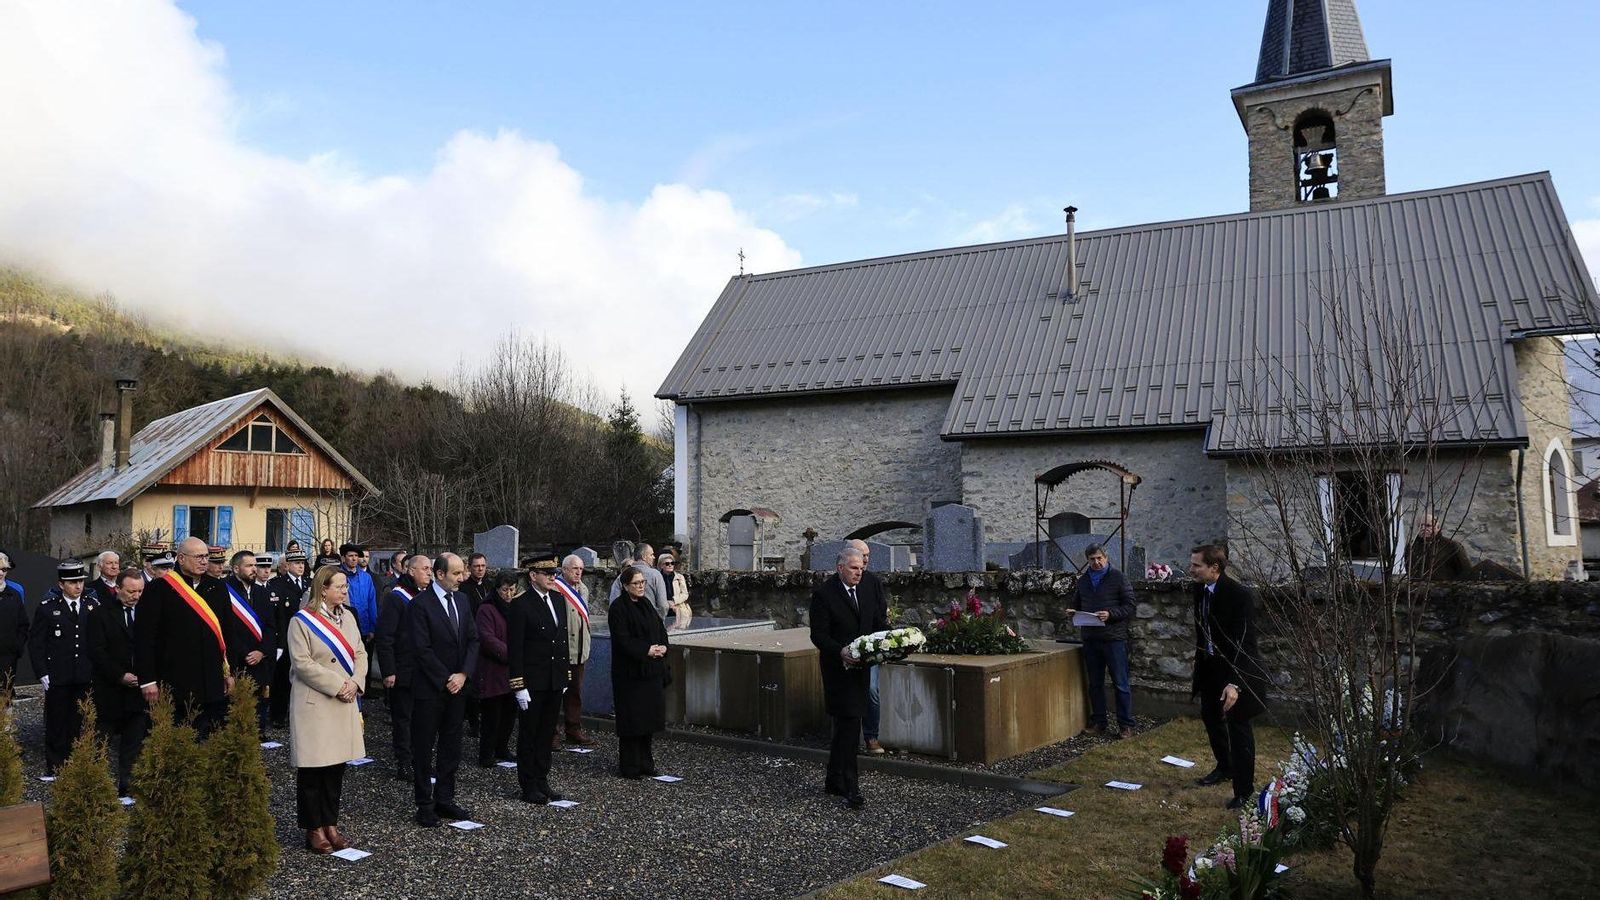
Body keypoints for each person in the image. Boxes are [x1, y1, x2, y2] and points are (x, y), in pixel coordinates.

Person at [287, 564, 367, 854]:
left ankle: (330, 822)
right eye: (340, 587)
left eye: (346, 587)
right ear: (323, 589)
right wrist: (339, 685)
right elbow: (302, 663)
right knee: (313, 770)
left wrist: (356, 682)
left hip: (343, 700)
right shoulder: (302, 621)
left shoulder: (348, 617)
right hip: (316, 703)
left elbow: (360, 652)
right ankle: (313, 828)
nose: (346, 591)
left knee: (335, 767)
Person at [1189, 544, 1270, 809]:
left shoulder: (1239, 595)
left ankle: (1244, 791)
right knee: (1211, 717)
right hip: (1210, 667)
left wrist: (1235, 682)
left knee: (1238, 726)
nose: (1191, 570)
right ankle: (1225, 767)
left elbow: (1245, 642)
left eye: (1196, 565)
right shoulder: (1199, 590)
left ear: (1215, 568)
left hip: (1236, 668)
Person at [809, 547, 886, 808]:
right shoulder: (824, 595)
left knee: (846, 727)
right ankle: (851, 786)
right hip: (838, 671)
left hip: (861, 669)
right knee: (851, 726)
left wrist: (892, 644)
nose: (859, 572)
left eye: (862, 568)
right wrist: (840, 651)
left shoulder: (866, 590)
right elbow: (818, 635)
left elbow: (876, 623)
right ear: (840, 568)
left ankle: (833, 779)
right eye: (854, 568)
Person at [135, 536, 233, 738]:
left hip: (211, 681)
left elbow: (228, 632)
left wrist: (230, 672)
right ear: (180, 558)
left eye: (206, 557)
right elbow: (144, 638)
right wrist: (147, 680)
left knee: (211, 739)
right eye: (198, 557)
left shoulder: (218, 588)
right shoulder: (159, 589)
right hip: (175, 682)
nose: (204, 561)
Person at [408, 552, 479, 826]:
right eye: (456, 573)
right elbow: (421, 649)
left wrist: (463, 675)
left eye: (462, 573)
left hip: (457, 687)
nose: (462, 578)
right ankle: (424, 803)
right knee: (424, 747)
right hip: (430, 688)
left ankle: (445, 798)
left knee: (452, 745)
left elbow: (473, 640)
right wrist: (446, 677)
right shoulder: (420, 605)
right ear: (440, 574)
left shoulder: (462, 600)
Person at [30, 559, 99, 775]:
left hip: (85, 674)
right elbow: (37, 643)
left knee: (81, 720)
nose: (78, 586)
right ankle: (56, 765)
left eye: (80, 581)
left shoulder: (92, 605)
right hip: (58, 675)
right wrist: (42, 672)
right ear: (61, 585)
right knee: (57, 721)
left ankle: (79, 761)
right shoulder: (48, 608)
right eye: (72, 582)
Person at [508, 555, 568, 801]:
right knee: (530, 734)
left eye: (554, 573)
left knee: (546, 734)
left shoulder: (557, 599)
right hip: (533, 681)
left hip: (553, 679)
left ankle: (542, 779)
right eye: (547, 574)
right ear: (533, 576)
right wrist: (518, 684)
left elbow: (561, 640)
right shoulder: (521, 605)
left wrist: (564, 676)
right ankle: (528, 784)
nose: (553, 577)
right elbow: (516, 648)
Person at [1064, 544, 1138, 738]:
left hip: (1114, 639)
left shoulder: (1118, 578)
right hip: (1091, 638)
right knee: (1095, 684)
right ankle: (1099, 722)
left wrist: (1110, 614)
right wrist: (1072, 611)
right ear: (1087, 560)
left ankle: (1125, 725)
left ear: (1106, 558)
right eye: (1092, 559)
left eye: (1099, 558)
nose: (1096, 563)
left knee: (1120, 683)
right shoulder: (1084, 581)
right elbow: (1077, 602)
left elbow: (1130, 606)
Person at [87, 568, 149, 796]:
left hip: (138, 690)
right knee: (101, 741)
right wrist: (119, 675)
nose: (136, 596)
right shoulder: (100, 614)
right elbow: (96, 651)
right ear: (118, 589)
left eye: (140, 591)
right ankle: (98, 787)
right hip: (110, 689)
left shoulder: (146, 612)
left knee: (133, 743)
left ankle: (127, 786)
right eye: (131, 591)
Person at [609, 565, 669, 779]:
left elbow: (660, 630)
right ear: (626, 586)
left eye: (643, 582)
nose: (641, 586)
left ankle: (646, 762)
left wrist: (663, 646)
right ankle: (630, 765)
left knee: (648, 720)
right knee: (632, 721)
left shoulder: (646, 604)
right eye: (636, 583)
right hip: (630, 675)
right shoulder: (618, 608)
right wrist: (646, 650)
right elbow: (622, 640)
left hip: (650, 672)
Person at [377, 553, 430, 782]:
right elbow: (385, 636)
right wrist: (389, 671)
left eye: (430, 569)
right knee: (404, 719)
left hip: (425, 671)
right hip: (403, 669)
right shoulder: (396, 597)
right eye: (424, 569)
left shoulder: (428, 596)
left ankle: (421, 761)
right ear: (411, 571)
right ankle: (404, 762)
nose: (429, 573)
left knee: (424, 720)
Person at [223, 550, 278, 735]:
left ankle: (257, 735)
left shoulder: (261, 592)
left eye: (255, 565)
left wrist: (262, 652)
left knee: (258, 705)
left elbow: (271, 626)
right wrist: (245, 652)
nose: (254, 569)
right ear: (236, 568)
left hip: (259, 660)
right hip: (237, 661)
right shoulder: (224, 591)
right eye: (249, 566)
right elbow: (225, 629)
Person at [847, 539, 887, 755]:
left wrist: (886, 644)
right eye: (863, 555)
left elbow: (880, 614)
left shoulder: (872, 582)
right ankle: (847, 736)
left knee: (871, 690)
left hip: (870, 646)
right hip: (848, 647)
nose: (867, 559)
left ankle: (871, 736)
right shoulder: (838, 585)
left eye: (868, 555)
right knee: (847, 691)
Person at [474, 571, 518, 769]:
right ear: (497, 589)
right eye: (505, 590)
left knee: (509, 712)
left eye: (512, 589)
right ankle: (487, 752)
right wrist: (510, 653)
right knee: (492, 715)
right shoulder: (487, 609)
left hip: (511, 670)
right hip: (492, 669)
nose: (508, 594)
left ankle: (502, 747)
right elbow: (486, 638)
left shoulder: (514, 607)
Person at [553, 554, 595, 746]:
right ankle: (552, 733)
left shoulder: (583, 589)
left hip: (579, 649)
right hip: (562, 650)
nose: (579, 572)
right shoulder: (556, 588)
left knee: (575, 693)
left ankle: (573, 729)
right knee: (556, 693)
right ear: (564, 570)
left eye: (581, 569)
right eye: (574, 569)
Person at [268, 548, 310, 728]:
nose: (300, 566)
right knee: (282, 679)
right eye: (296, 563)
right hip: (286, 638)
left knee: (303, 680)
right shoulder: (278, 584)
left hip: (306, 638)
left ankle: (298, 715)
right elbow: (277, 617)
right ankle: (278, 716)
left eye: (302, 563)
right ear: (287, 565)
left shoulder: (309, 583)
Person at [338, 545, 378, 686]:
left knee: (363, 658)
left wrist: (373, 627)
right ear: (343, 557)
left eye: (356, 556)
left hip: (364, 625)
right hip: (344, 626)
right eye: (350, 555)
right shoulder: (338, 576)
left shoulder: (366, 577)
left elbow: (371, 602)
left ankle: (364, 689)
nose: (354, 558)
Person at [608, 542, 668, 620]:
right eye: (651, 554)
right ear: (644, 557)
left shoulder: (621, 576)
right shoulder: (655, 575)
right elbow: (663, 605)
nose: (654, 557)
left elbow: (613, 603)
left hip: (629, 624)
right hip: (651, 623)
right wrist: (657, 621)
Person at [1405, 515, 1472, 581]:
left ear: (1438, 527)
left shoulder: (1451, 546)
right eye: (1420, 526)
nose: (1423, 528)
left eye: (1428, 525)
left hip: (1446, 589)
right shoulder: (1412, 548)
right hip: (1418, 589)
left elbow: (1466, 572)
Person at [0, 556, 27, 697]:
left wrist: (17, 647)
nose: (0, 573)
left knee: (5, 697)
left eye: (4, 569)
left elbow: (23, 624)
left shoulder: (14, 594)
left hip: (7, 656)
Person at [657, 552, 692, 632]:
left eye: (672, 563)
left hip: (677, 608)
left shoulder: (679, 577)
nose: (670, 565)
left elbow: (685, 594)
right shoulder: (657, 578)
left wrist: (674, 601)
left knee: (678, 630)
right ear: (661, 565)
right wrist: (666, 603)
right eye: (667, 563)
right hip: (663, 608)